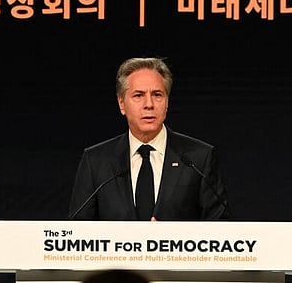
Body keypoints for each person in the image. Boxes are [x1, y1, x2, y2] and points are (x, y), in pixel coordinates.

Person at [68, 57, 231, 220]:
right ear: (121, 103)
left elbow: (221, 229)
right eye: (138, 95)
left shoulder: (198, 158)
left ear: (167, 102)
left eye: (157, 95)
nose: (149, 104)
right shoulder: (96, 161)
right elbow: (77, 231)